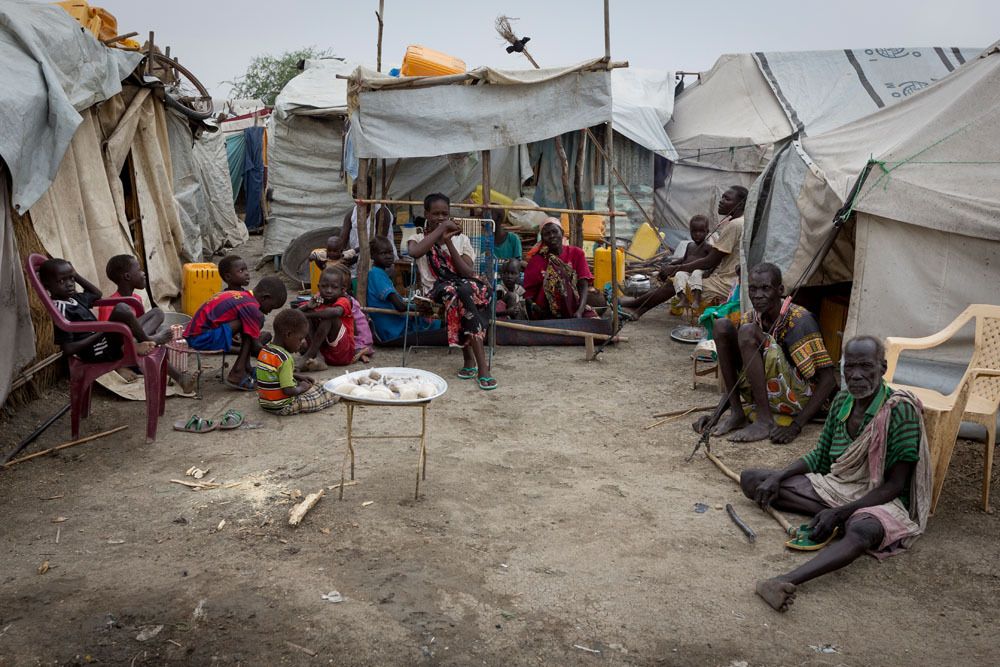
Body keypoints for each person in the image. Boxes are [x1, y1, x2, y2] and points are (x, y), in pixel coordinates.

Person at [741, 336, 929, 613]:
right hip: (838, 488)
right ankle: (837, 516)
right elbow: (820, 457)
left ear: (883, 368)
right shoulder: (842, 399)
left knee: (862, 530)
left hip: (881, 499)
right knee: (753, 480)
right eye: (849, 368)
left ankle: (783, 580)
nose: (856, 375)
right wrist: (779, 476)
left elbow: (894, 485)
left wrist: (841, 513)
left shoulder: (899, 411)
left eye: (866, 367)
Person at [693, 263, 837, 444]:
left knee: (747, 331)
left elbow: (829, 380)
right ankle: (737, 413)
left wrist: (796, 426)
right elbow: (741, 374)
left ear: (780, 290)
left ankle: (764, 421)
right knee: (721, 326)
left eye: (765, 289)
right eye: (752, 289)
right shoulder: (751, 317)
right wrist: (716, 414)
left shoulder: (800, 320)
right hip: (769, 394)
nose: (758, 296)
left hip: (797, 399)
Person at [40, 258, 195, 393]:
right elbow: (68, 349)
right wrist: (101, 331)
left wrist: (76, 275)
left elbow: (96, 294)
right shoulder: (60, 308)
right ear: (47, 286)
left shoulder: (74, 298)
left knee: (157, 313)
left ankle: (176, 374)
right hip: (97, 349)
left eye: (71, 279)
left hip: (106, 339)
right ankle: (146, 340)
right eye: (62, 281)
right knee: (122, 309)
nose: (69, 284)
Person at [408, 192, 497, 390]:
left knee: (464, 291)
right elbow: (414, 253)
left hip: (462, 285)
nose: (440, 218)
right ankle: (482, 367)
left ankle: (470, 361)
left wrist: (448, 241)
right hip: (436, 289)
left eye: (444, 214)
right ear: (427, 214)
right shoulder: (417, 237)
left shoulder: (461, 239)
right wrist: (440, 230)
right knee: (459, 292)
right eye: (436, 214)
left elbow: (466, 272)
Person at [619, 186, 747, 319]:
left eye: (727, 199)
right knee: (678, 278)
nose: (721, 201)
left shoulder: (734, 225)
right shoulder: (739, 222)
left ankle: (634, 305)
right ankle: (637, 309)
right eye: (722, 197)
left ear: (740, 204)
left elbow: (710, 261)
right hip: (731, 278)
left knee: (675, 282)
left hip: (725, 283)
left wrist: (675, 268)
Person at [183, 277, 287, 390]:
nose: (269, 312)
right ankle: (237, 373)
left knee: (252, 324)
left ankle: (246, 367)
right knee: (257, 320)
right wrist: (278, 361)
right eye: (271, 307)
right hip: (201, 339)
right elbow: (256, 347)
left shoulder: (243, 296)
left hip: (196, 335)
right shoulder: (252, 308)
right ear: (265, 297)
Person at [256, 308, 339, 415]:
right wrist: (302, 388)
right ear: (289, 335)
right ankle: (338, 394)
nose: (301, 343)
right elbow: (289, 391)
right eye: (300, 339)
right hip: (283, 406)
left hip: (265, 403)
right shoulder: (285, 358)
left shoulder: (265, 350)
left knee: (322, 384)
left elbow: (275, 374)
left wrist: (298, 376)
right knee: (326, 393)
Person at [366, 236, 440, 342]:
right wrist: (419, 308)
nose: (388, 256)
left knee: (432, 313)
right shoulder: (376, 274)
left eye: (390, 252)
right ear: (373, 255)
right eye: (383, 253)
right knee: (433, 318)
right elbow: (400, 306)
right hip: (392, 329)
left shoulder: (379, 273)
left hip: (394, 323)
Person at [522, 218, 595, 319]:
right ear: (542, 239)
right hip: (546, 311)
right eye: (547, 234)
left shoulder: (576, 253)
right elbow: (528, 295)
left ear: (562, 233)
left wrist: (580, 311)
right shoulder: (536, 261)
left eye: (554, 231)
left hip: (574, 307)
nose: (552, 236)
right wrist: (537, 310)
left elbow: (583, 284)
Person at [297, 267, 356, 371]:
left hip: (342, 354)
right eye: (324, 286)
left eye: (334, 287)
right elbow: (295, 314)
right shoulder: (319, 298)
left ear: (343, 290)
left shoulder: (344, 300)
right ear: (318, 287)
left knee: (329, 316)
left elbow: (335, 312)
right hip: (325, 352)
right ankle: (319, 358)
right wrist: (308, 306)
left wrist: (308, 315)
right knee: (308, 313)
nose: (328, 291)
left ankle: (310, 354)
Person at [339, 181, 396, 280]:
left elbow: (378, 245)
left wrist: (355, 255)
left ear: (370, 192)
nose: (355, 195)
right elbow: (341, 242)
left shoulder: (382, 213)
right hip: (356, 259)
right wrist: (341, 255)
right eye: (353, 191)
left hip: (380, 261)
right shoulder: (351, 214)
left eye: (358, 191)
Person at [667, 215, 712, 312]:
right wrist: (672, 264)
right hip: (687, 271)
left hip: (700, 271)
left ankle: (696, 299)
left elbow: (712, 261)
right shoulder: (689, 245)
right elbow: (684, 259)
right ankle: (683, 298)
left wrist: (709, 272)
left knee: (696, 272)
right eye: (694, 232)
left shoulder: (707, 246)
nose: (697, 234)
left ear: (707, 232)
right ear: (690, 231)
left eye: (701, 232)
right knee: (679, 274)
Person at [97, 254, 151, 321]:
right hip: (121, 331)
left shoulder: (137, 299)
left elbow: (143, 325)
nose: (143, 273)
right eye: (139, 270)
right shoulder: (108, 305)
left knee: (157, 313)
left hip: (139, 330)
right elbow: (105, 330)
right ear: (127, 276)